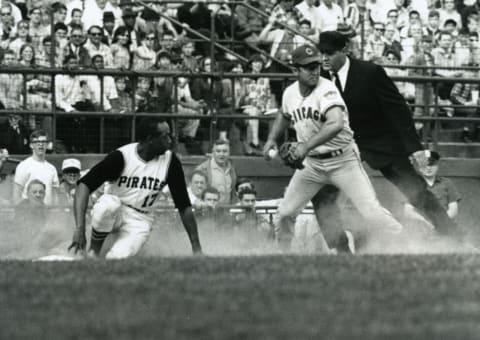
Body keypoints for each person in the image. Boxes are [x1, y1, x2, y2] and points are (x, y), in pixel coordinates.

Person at [315, 31, 457, 239]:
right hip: (342, 146)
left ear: (344, 50)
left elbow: (398, 109)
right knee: (323, 194)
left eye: (329, 53)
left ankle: (455, 239)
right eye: (321, 53)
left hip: (381, 142)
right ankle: (340, 249)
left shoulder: (370, 72)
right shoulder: (321, 77)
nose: (324, 58)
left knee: (416, 191)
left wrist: (415, 148)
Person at [263, 44, 403, 251]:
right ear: (296, 70)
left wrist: (304, 147)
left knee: (371, 211)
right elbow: (284, 114)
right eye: (308, 67)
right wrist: (271, 139)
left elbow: (335, 123)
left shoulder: (326, 88)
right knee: (284, 213)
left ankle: (410, 243)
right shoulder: (290, 93)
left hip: (343, 161)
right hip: (311, 165)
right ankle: (284, 257)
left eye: (316, 66)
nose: (314, 71)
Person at [68, 118, 202, 259]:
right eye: (165, 136)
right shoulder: (122, 157)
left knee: (117, 258)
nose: (170, 140)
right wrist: (79, 229)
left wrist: (196, 247)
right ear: (151, 139)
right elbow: (84, 185)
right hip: (116, 210)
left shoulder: (171, 162)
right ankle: (93, 252)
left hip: (140, 219)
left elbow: (184, 206)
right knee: (107, 206)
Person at [13, 129, 59, 205]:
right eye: (37, 142)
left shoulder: (52, 168)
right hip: (29, 213)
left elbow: (55, 195)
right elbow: (16, 195)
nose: (40, 144)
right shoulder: (24, 166)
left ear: (47, 145)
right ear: (31, 145)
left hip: (47, 213)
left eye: (43, 142)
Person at [195, 139, 238, 204]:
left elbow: (233, 191)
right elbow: (195, 192)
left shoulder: (232, 168)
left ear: (229, 153)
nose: (222, 154)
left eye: (225, 151)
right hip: (209, 210)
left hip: (227, 209)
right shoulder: (202, 169)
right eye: (218, 151)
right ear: (213, 152)